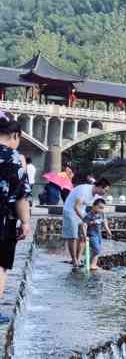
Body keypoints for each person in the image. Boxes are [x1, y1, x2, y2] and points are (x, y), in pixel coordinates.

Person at [0, 114, 31, 325]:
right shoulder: (16, 159)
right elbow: (21, 196)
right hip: (4, 220)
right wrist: (26, 222)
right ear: (14, 135)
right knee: (0, 266)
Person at [63, 178, 110, 267]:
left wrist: (106, 227)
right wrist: (86, 220)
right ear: (100, 187)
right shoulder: (84, 190)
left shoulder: (97, 196)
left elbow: (101, 209)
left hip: (82, 212)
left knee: (83, 237)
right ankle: (74, 260)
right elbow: (76, 207)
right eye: (105, 190)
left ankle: (79, 258)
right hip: (70, 211)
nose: (105, 193)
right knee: (73, 236)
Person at [81, 198, 113, 271]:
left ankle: (91, 264)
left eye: (102, 208)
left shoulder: (102, 214)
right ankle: (90, 263)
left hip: (98, 234)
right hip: (91, 234)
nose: (101, 209)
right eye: (99, 207)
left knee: (97, 250)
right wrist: (84, 235)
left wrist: (108, 230)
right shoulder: (89, 215)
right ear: (93, 206)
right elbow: (84, 225)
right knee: (96, 249)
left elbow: (104, 221)